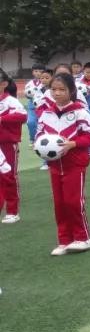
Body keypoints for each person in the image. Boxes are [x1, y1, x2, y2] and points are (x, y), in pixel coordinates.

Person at [37, 72, 90, 255]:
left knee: (73, 201)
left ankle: (83, 238)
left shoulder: (80, 112)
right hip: (55, 165)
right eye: (54, 89)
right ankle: (64, 240)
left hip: (75, 164)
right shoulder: (46, 114)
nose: (57, 93)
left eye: (61, 89)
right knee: (59, 203)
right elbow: (40, 134)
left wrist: (73, 144)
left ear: (71, 91)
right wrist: (41, 145)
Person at [0, 70, 27, 224]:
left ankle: (12, 211)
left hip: (7, 144)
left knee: (8, 175)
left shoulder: (11, 101)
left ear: (4, 84)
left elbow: (22, 116)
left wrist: (2, 119)